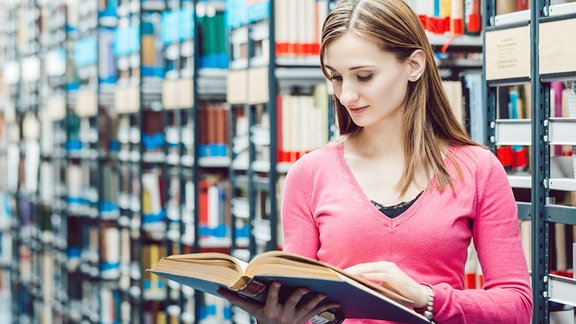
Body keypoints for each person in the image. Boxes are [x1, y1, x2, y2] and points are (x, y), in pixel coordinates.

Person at [218, 0, 533, 323]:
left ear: (414, 65)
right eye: (336, 78)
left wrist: (424, 297)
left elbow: (518, 307)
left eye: (364, 76)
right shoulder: (308, 174)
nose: (346, 95)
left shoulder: (478, 169)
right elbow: (301, 302)